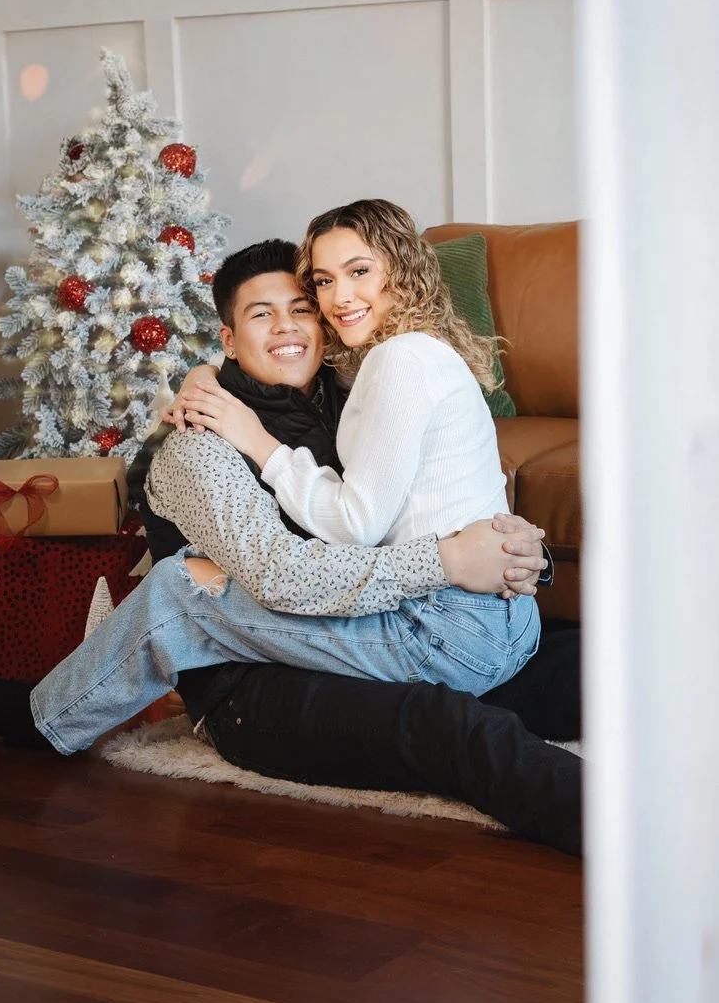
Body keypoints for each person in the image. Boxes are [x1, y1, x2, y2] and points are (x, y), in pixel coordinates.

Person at [0, 240, 581, 856]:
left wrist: (519, 557)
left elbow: (440, 494)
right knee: (447, 726)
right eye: (260, 314)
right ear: (227, 340)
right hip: (254, 688)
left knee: (575, 657)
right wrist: (449, 560)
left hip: (368, 634)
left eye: (301, 308)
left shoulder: (352, 402)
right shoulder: (201, 446)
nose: (286, 328)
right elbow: (284, 575)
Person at [179, 201, 540, 697]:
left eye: (359, 272)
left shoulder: (397, 360)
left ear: (403, 270)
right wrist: (206, 375)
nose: (339, 298)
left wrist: (260, 443)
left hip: (443, 621)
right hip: (505, 617)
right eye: (324, 282)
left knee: (177, 598)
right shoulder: (384, 358)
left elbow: (356, 527)